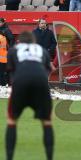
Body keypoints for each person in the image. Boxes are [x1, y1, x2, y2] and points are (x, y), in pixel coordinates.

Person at [5, 31, 54, 160]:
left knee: (11, 120)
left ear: (19, 41)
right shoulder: (42, 50)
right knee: (47, 121)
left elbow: (11, 72)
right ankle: (49, 158)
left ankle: (9, 157)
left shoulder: (14, 50)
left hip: (20, 82)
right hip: (41, 82)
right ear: (33, 42)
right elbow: (49, 69)